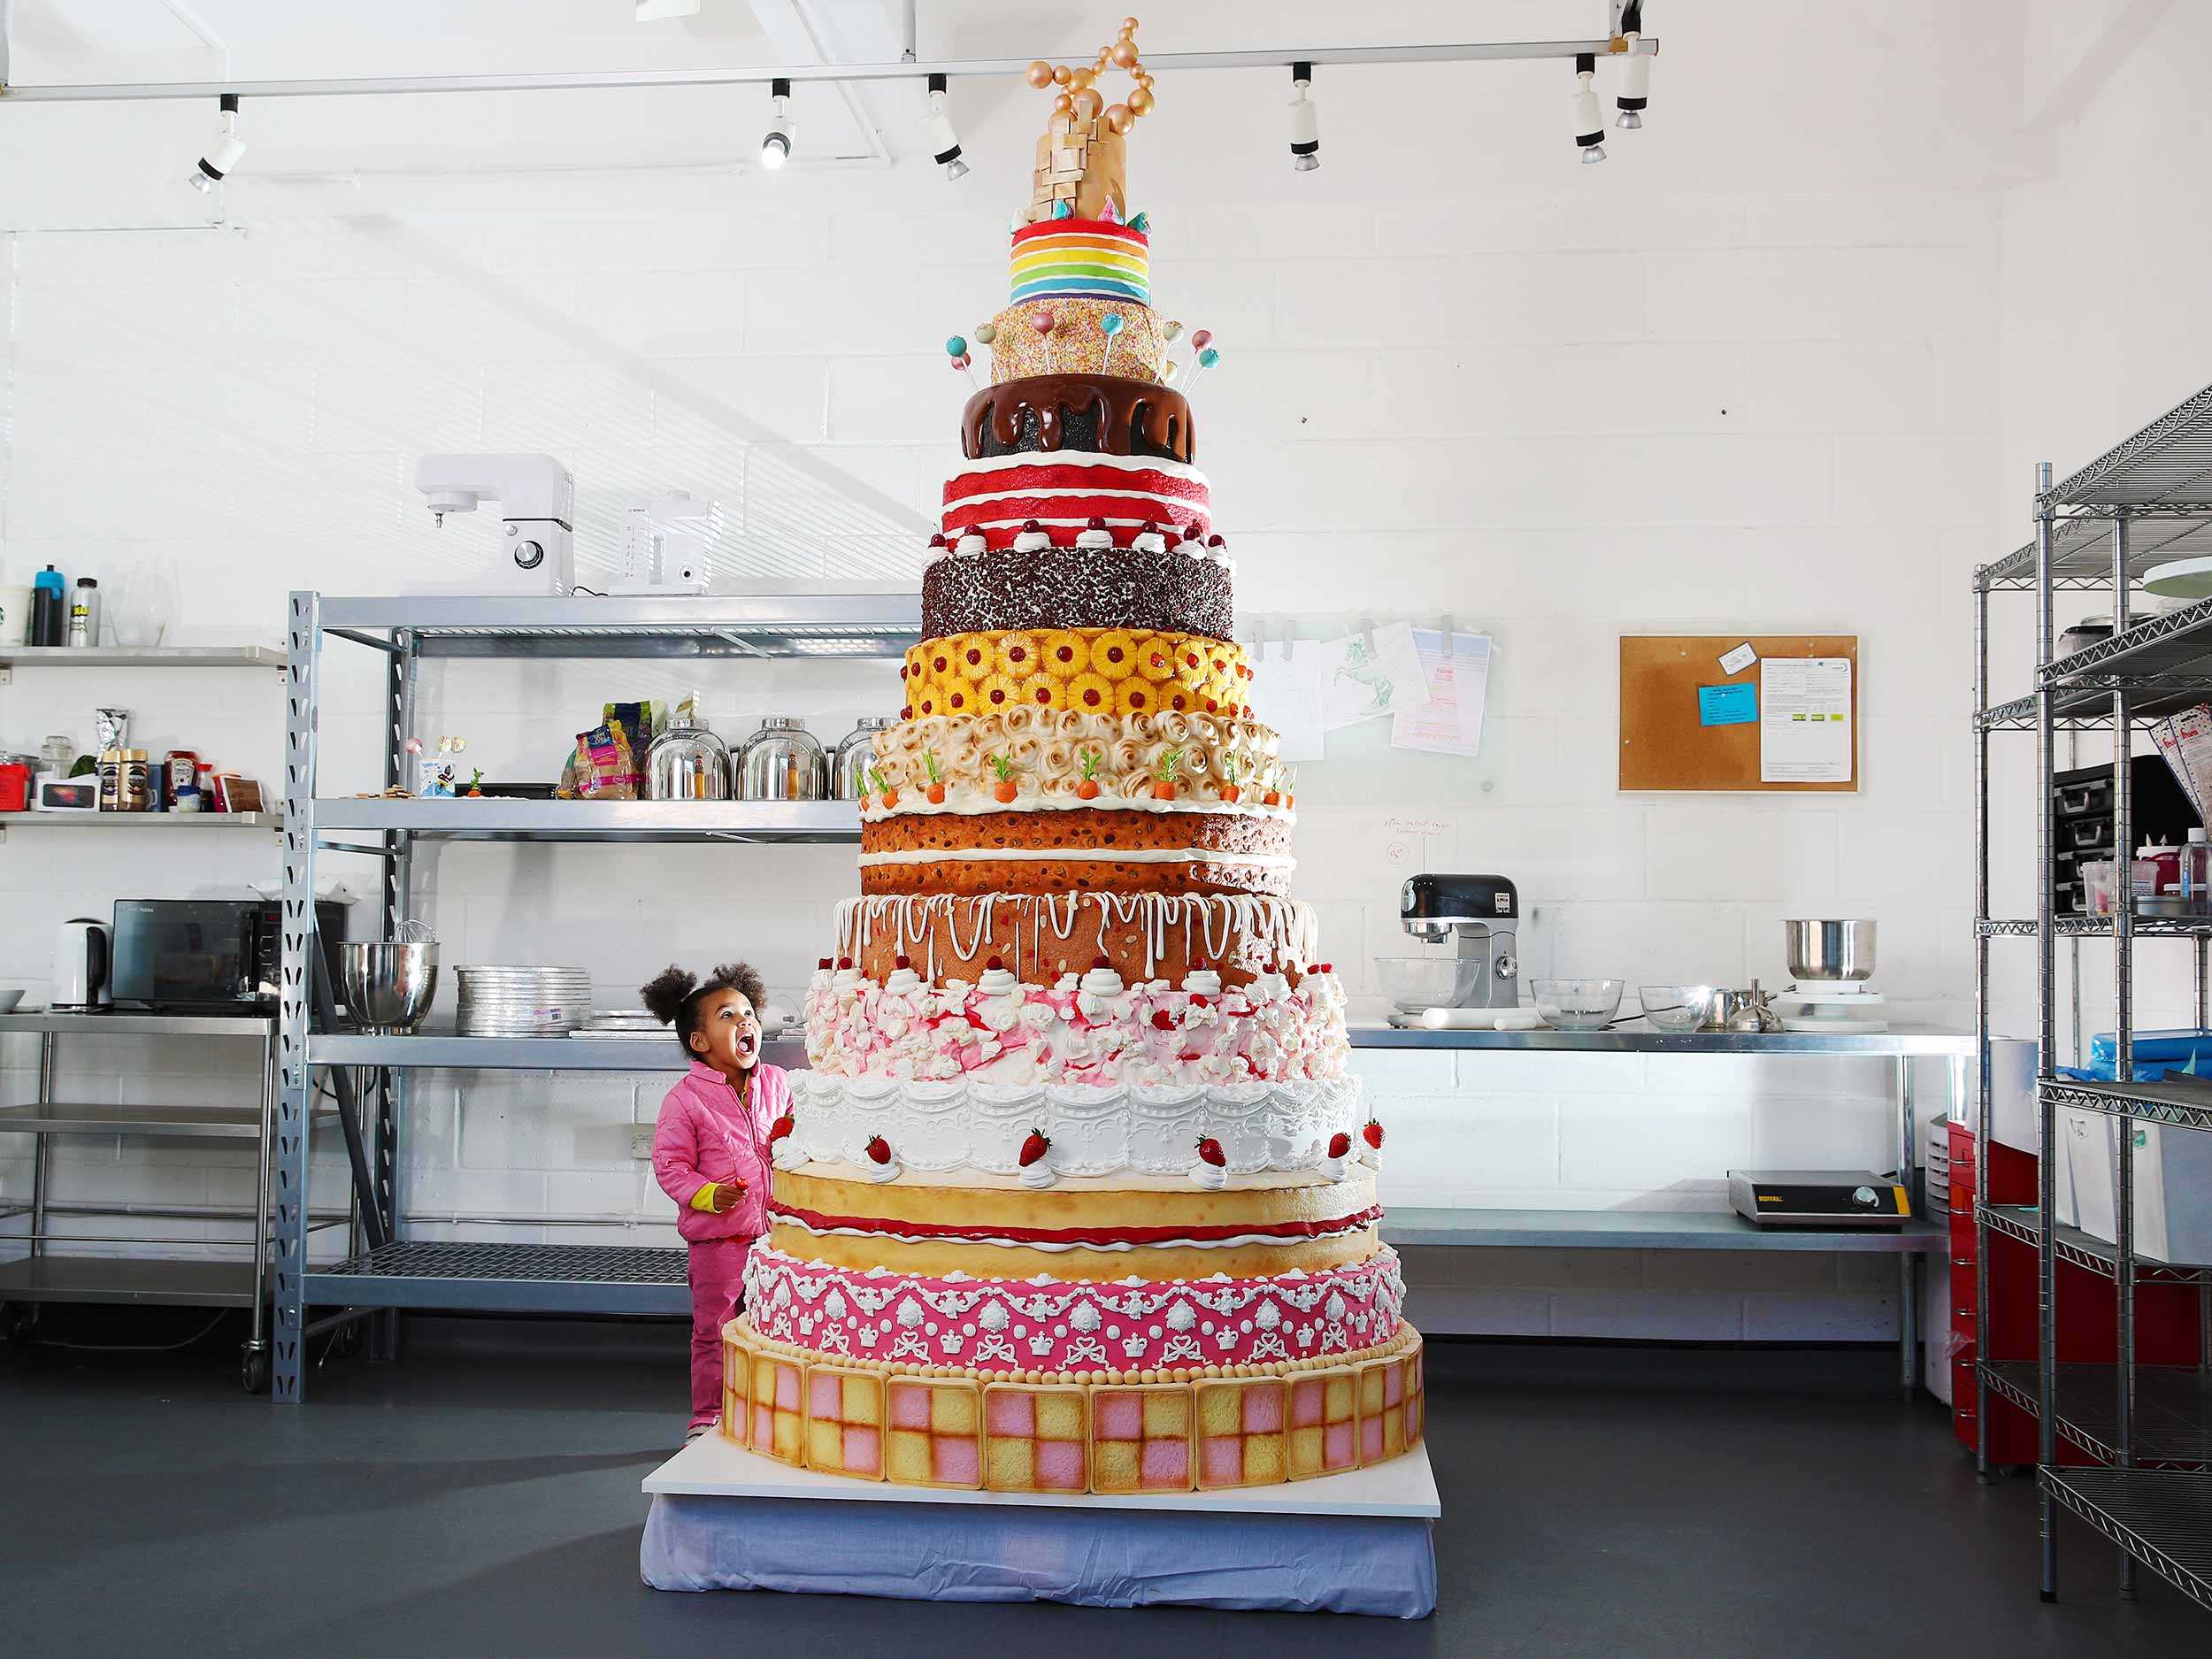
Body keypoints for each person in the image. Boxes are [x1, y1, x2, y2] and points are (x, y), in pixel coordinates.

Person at [643, 961, 788, 1440]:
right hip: (719, 1243)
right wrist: (709, 1194)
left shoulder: (778, 1084)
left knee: (771, 1329)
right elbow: (671, 1168)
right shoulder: (684, 1101)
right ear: (699, 1042)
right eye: (728, 1016)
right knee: (717, 1331)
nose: (746, 1022)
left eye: (749, 1013)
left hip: (776, 1240)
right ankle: (707, 1418)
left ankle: (766, 1413)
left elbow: (793, 1140)